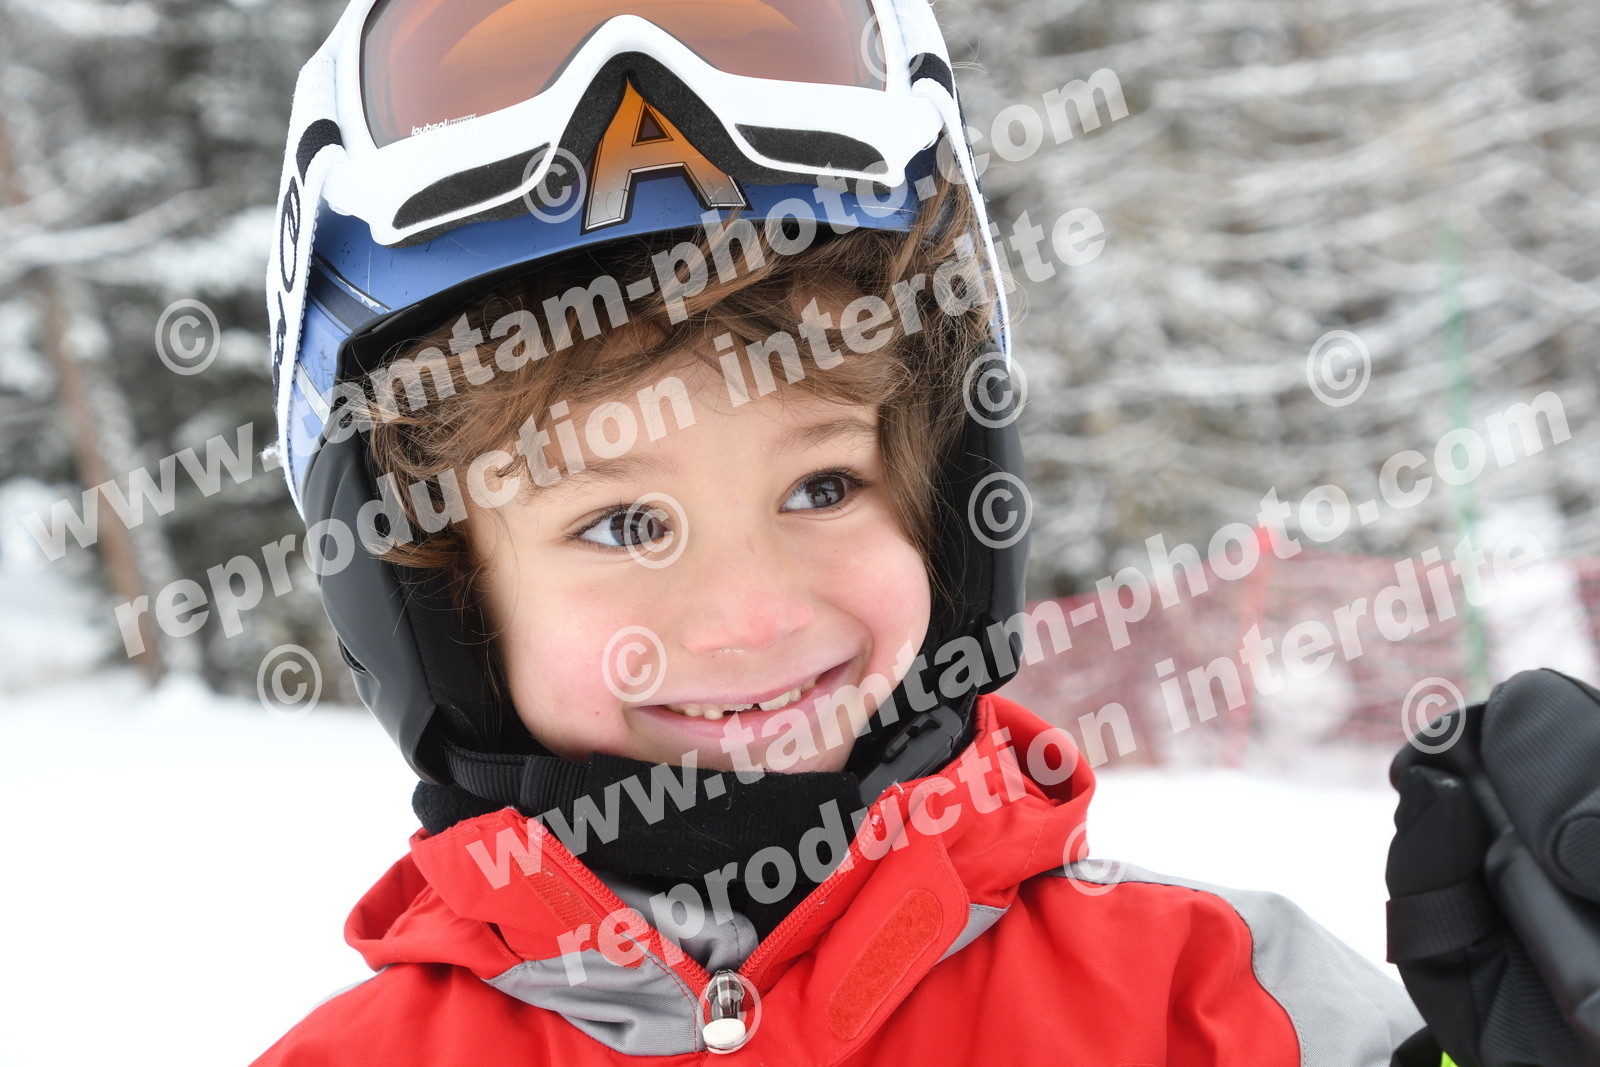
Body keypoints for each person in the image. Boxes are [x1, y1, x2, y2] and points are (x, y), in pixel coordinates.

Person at [253, 1, 1469, 1062]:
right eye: (621, 521)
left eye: (822, 486)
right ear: (440, 595)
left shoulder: (1212, 1007)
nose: (751, 615)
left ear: (947, 506)